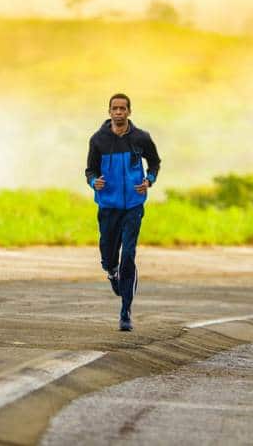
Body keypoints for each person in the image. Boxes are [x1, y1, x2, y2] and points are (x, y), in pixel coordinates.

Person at [85, 93, 161, 331]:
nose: (118, 112)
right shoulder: (98, 140)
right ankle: (111, 271)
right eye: (115, 108)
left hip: (133, 206)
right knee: (109, 255)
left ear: (129, 111)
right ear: (109, 112)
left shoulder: (141, 138)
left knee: (128, 255)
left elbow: (155, 163)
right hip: (108, 206)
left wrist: (148, 180)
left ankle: (125, 311)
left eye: (122, 108)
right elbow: (90, 170)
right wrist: (94, 182)